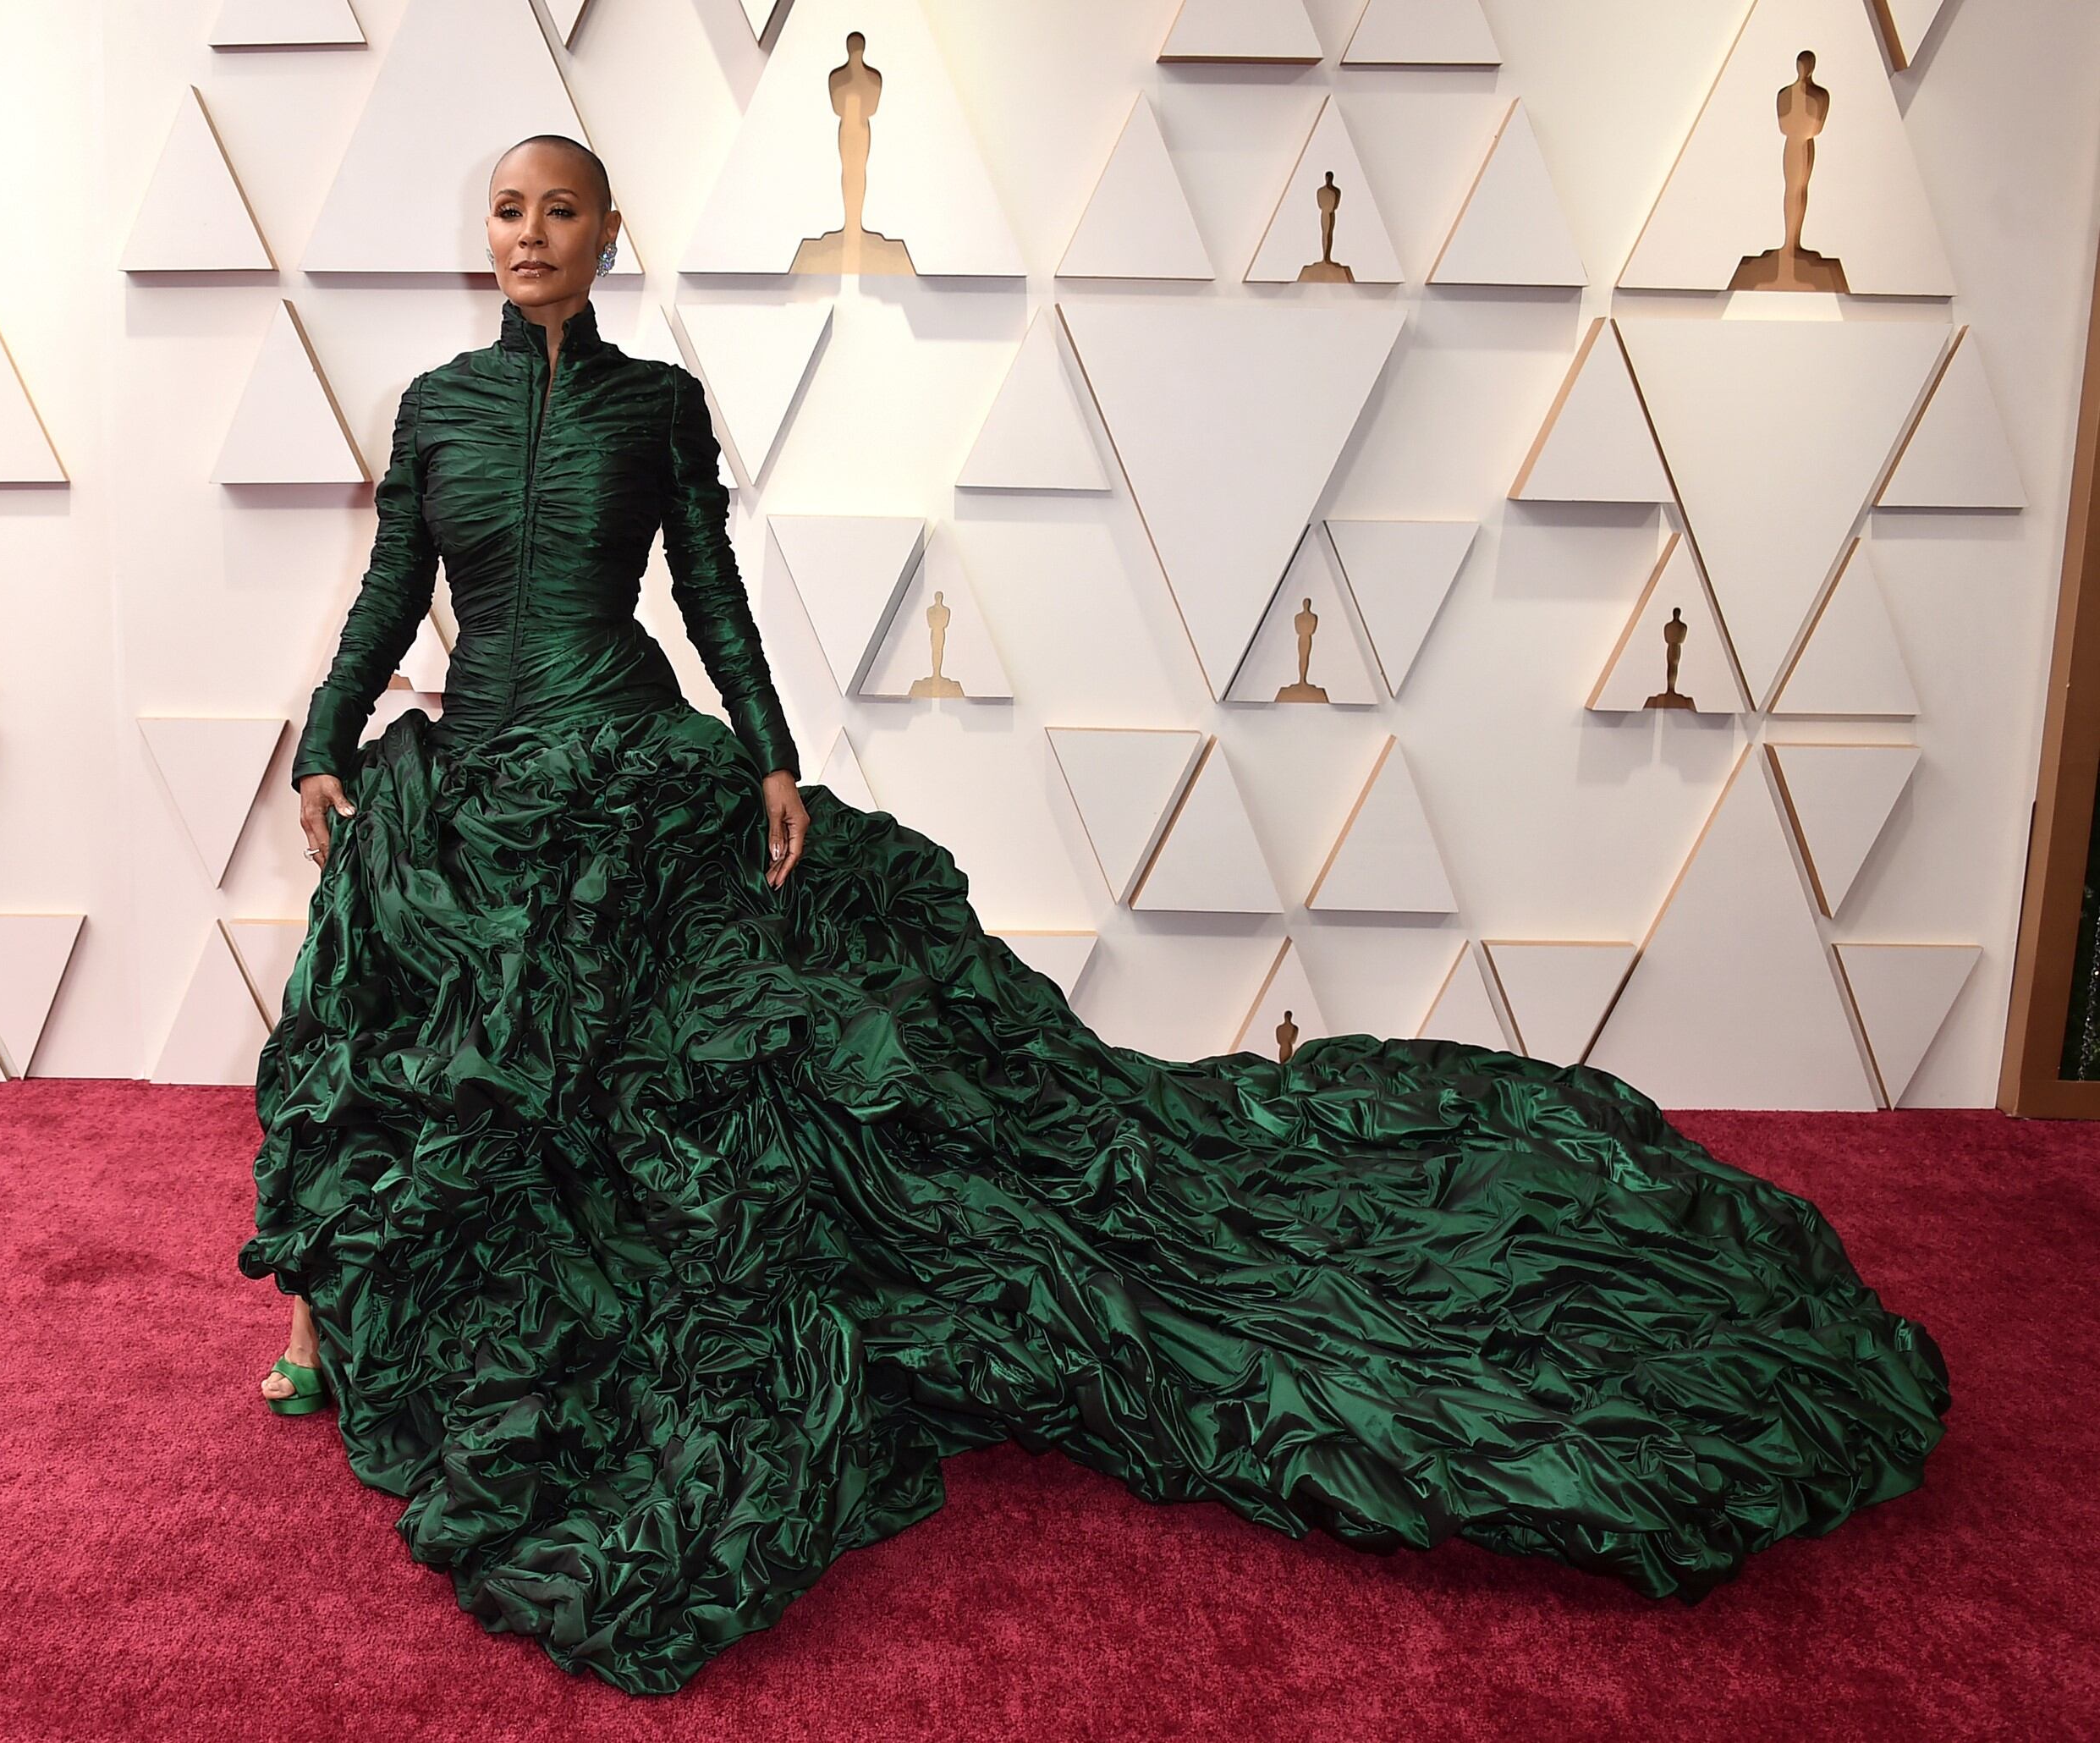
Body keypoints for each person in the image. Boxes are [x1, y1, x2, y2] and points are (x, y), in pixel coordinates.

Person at [237, 133, 1952, 1696]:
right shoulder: (437, 410)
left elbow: (709, 593)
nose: (528, 234)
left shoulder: (656, 406)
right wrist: (327, 740)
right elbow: (399, 590)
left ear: (609, 235)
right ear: (491, 238)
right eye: (508, 212)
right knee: (377, 973)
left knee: (750, 1072)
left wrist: (768, 757)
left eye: (559, 210)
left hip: (638, 761)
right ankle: (325, 1320)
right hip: (482, 770)